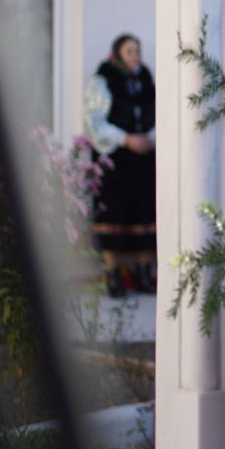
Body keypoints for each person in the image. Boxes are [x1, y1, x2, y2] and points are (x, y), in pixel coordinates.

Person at [84, 34, 157, 297]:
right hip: (114, 159)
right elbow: (94, 121)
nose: (135, 56)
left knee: (144, 212)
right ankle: (113, 274)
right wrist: (126, 139)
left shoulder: (145, 79)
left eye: (137, 50)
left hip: (143, 158)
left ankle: (144, 272)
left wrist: (149, 138)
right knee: (114, 213)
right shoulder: (102, 80)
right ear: (117, 54)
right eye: (129, 51)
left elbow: (158, 112)